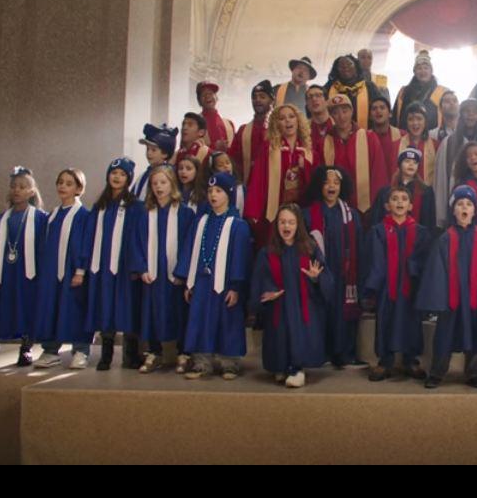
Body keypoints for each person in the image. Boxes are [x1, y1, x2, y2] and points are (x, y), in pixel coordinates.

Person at [417, 185, 477, 388]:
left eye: (468, 204)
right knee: (444, 336)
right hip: (452, 300)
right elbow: (436, 271)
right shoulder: (445, 239)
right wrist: (439, 299)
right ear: (453, 210)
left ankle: (474, 373)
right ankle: (437, 372)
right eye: (459, 204)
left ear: (475, 210)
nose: (464, 207)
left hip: (475, 299)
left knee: (476, 334)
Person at [175, 172, 253, 380]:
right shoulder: (201, 222)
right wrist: (188, 282)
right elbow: (190, 250)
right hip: (202, 281)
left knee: (227, 320)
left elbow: (240, 257)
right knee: (201, 319)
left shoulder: (238, 225)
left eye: (218, 191)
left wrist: (236, 286)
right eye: (210, 191)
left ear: (228, 194)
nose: (213, 195)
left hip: (225, 284)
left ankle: (229, 363)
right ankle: (202, 362)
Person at [0, 167, 49, 368]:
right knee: (0, 312)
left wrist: (43, 276)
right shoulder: (2, 220)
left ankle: (26, 348)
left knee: (28, 310)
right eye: (14, 186)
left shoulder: (40, 219)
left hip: (30, 274)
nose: (17, 190)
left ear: (32, 191)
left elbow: (43, 250)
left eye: (22, 187)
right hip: (8, 273)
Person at [250, 204, 333, 387]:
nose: (286, 227)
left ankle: (296, 369)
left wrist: (315, 279)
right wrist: (267, 292)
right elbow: (260, 278)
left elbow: (326, 278)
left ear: (298, 225)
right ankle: (281, 366)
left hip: (302, 305)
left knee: (298, 335)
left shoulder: (310, 248)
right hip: (279, 304)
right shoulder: (268, 252)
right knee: (279, 336)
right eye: (282, 222)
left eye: (291, 222)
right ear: (276, 225)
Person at [129, 165, 196, 373]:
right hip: (152, 274)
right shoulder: (144, 213)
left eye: (163, 182)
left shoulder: (184, 213)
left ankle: (183, 353)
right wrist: (141, 269)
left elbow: (189, 244)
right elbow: (135, 243)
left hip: (175, 276)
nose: (159, 187)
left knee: (179, 312)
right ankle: (154, 353)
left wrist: (182, 273)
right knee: (152, 313)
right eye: (155, 183)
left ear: (172, 184)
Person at [362, 185, 432, 382]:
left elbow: (425, 260)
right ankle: (385, 361)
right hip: (387, 287)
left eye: (404, 199)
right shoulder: (378, 231)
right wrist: (372, 287)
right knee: (385, 319)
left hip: (412, 287)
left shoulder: (420, 232)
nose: (399, 202)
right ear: (386, 205)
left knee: (412, 321)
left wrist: (413, 267)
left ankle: (411, 360)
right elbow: (374, 260)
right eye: (394, 199)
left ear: (411, 205)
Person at [304, 166, 367, 369]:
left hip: (344, 275)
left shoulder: (352, 215)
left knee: (344, 314)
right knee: (320, 312)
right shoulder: (308, 214)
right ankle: (321, 352)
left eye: (336, 183)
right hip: (318, 274)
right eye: (326, 182)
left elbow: (358, 247)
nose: (331, 186)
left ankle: (345, 354)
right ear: (319, 186)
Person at [83, 158, 142, 371]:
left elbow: (138, 238)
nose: (117, 177)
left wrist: (136, 266)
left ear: (128, 179)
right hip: (102, 268)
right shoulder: (99, 206)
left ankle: (130, 356)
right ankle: (105, 356)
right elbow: (89, 236)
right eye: (114, 173)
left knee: (127, 311)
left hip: (125, 269)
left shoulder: (135, 206)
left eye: (122, 174)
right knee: (105, 309)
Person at [32, 168, 91, 370]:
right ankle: (50, 350)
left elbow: (85, 244)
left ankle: (81, 350)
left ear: (78, 188)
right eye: (60, 182)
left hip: (73, 272)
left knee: (75, 309)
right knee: (51, 308)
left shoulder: (83, 215)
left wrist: (80, 271)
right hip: (51, 272)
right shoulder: (52, 215)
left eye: (68, 183)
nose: (63, 186)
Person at [244, 104, 315, 248]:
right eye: (282, 118)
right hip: (274, 207)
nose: (287, 121)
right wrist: (253, 212)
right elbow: (258, 180)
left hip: (300, 208)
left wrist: (305, 166)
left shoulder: (308, 148)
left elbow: (315, 182)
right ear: (276, 124)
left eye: (291, 117)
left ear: (298, 120)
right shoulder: (269, 148)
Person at [321, 93, 388, 215]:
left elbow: (379, 173)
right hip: (336, 207)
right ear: (331, 116)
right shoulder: (326, 141)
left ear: (352, 112)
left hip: (367, 208)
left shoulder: (369, 138)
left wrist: (376, 206)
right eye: (336, 112)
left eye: (345, 111)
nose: (341, 116)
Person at [434, 98, 477, 228]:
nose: (470, 115)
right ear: (461, 115)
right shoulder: (449, 143)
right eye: (466, 111)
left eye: (474, 111)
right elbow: (441, 180)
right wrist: (441, 217)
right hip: (458, 208)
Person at [369, 148, 436, 230]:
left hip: (418, 239)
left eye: (415, 162)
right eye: (407, 161)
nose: (411, 165)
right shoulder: (385, 192)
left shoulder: (426, 192)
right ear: (400, 165)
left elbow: (429, 222)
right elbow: (376, 220)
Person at [229, 80, 274, 186]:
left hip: (273, 186)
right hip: (248, 186)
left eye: (262, 97)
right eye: (254, 97)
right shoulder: (243, 130)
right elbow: (233, 161)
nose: (257, 100)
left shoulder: (279, 127)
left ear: (272, 100)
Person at [393, 50, 449, 132]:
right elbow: (395, 117)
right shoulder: (404, 92)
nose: (423, 71)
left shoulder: (441, 92)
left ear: (431, 71)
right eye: (419, 68)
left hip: (432, 137)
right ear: (414, 72)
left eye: (426, 68)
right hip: (406, 136)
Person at [325, 54, 383, 131]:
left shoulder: (369, 87)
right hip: (335, 137)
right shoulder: (329, 88)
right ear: (336, 70)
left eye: (349, 64)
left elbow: (380, 111)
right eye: (341, 66)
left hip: (366, 136)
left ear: (356, 66)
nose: (345, 67)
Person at [133, 123, 178, 201]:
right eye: (147, 149)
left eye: (154, 150)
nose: (149, 153)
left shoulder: (171, 176)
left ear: (165, 153)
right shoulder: (143, 176)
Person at [397, 101, 438, 185]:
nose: (415, 123)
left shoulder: (436, 146)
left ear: (425, 121)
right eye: (411, 119)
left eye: (419, 119)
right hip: (403, 195)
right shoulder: (396, 145)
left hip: (428, 195)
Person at [369, 95, 406, 181]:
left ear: (390, 114)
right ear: (370, 116)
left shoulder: (402, 136)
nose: (378, 111)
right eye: (374, 109)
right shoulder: (364, 138)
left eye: (382, 108)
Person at [196, 81, 235, 152]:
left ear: (216, 97)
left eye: (211, 93)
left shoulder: (229, 124)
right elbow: (190, 150)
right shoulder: (194, 123)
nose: (208, 96)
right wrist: (214, 147)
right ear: (199, 101)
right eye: (203, 94)